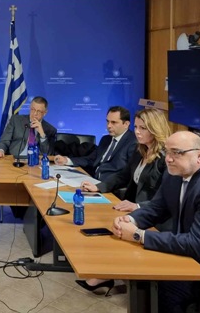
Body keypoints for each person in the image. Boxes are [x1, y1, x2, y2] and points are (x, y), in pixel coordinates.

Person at [112, 131, 200, 312]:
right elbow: (156, 208)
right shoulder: (174, 174)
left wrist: (137, 235)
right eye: (167, 152)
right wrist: (131, 219)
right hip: (191, 257)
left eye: (177, 153)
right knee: (143, 275)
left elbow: (196, 244)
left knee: (159, 286)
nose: (168, 159)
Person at [76, 108, 171, 294]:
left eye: (143, 128)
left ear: (155, 129)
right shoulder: (139, 150)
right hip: (136, 209)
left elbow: (167, 197)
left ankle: (111, 276)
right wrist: (99, 187)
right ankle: (106, 274)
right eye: (136, 127)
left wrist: (137, 206)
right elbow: (123, 175)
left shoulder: (166, 158)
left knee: (116, 228)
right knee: (104, 223)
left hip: (156, 216)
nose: (137, 132)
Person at [54, 106, 137, 182]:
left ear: (126, 124)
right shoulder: (106, 139)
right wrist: (67, 160)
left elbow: (127, 174)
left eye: (113, 122)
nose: (109, 126)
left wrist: (100, 186)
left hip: (109, 186)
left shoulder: (133, 143)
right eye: (107, 121)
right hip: (92, 179)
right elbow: (91, 159)